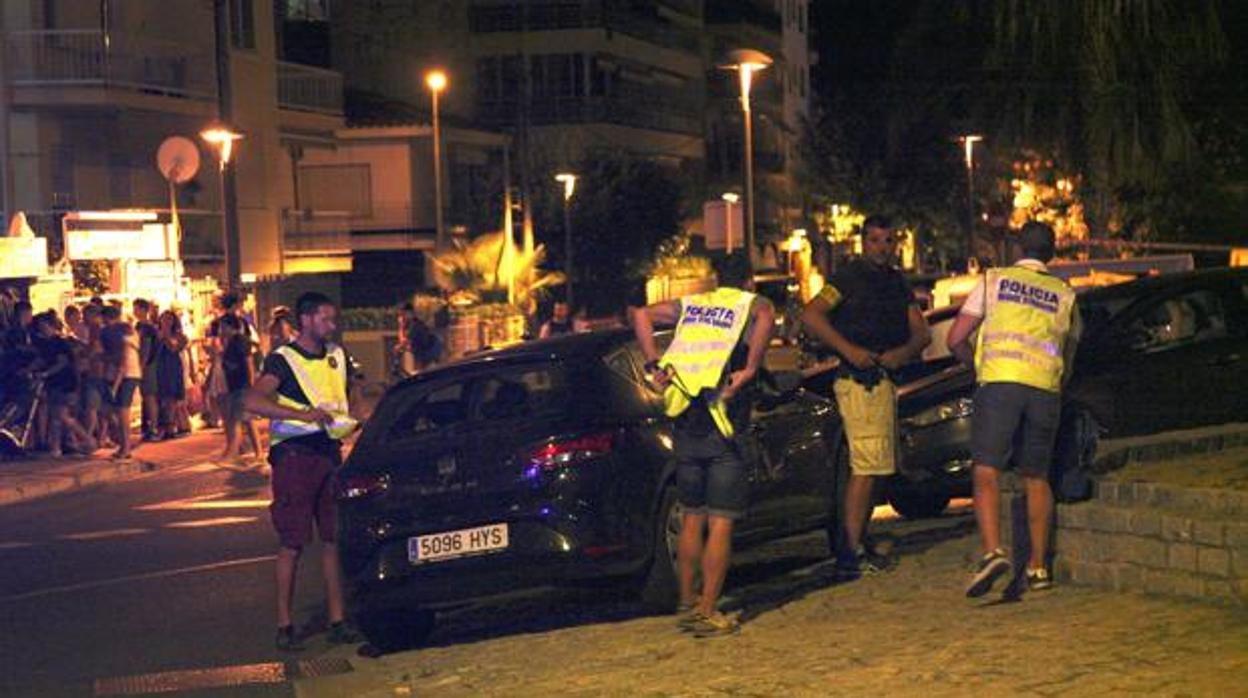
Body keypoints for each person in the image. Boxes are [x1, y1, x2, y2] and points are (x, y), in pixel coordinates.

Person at [631, 264, 774, 637]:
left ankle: (686, 599)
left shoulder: (692, 307)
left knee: (692, 516)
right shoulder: (747, 306)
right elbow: (766, 313)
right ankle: (708, 609)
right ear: (745, 284)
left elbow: (641, 314)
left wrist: (652, 362)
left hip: (686, 429)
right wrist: (752, 367)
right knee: (721, 521)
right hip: (724, 429)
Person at [946, 221, 1081, 597]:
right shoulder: (1064, 293)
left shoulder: (994, 281)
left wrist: (975, 365)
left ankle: (992, 552)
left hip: (1000, 383)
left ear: (1018, 248)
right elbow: (1069, 354)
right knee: (1036, 476)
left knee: (986, 470)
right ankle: (1039, 568)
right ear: (1051, 253)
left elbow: (956, 337)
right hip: (1044, 389)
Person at [799, 215, 930, 577]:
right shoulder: (846, 279)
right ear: (862, 243)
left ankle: (857, 541)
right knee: (867, 467)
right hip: (859, 380)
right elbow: (812, 315)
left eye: (887, 241)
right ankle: (850, 551)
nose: (881, 248)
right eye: (874, 240)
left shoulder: (897, 283)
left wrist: (900, 355)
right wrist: (850, 350)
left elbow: (922, 333)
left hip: (884, 377)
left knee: (878, 467)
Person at [244, 292, 361, 651]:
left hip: (329, 452)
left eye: (332, 319)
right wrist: (302, 415)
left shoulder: (338, 356)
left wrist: (353, 421)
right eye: (326, 319)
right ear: (307, 320)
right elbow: (251, 400)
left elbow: (349, 395)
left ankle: (338, 620)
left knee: (332, 539)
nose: (332, 325)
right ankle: (285, 625)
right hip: (295, 457)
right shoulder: (283, 359)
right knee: (292, 543)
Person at [32, 312, 96, 457]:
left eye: (44, 326)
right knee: (56, 416)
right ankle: (56, 448)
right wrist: (30, 369)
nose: (41, 329)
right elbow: (42, 360)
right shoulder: (47, 343)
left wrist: (46, 373)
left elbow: (62, 362)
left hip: (64, 382)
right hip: (55, 383)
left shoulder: (60, 342)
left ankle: (88, 440)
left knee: (62, 415)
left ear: (50, 325)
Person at [100, 305, 142, 460]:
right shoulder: (125, 331)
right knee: (116, 411)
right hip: (127, 373)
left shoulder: (120, 334)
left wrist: (115, 384)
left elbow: (122, 361)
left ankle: (126, 447)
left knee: (122, 411)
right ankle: (124, 445)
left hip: (126, 375)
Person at [220, 314, 262, 460]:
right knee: (247, 421)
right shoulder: (231, 342)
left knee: (236, 421)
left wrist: (250, 386)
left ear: (231, 326)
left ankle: (232, 453)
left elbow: (248, 362)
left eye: (223, 326)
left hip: (241, 386)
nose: (221, 329)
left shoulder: (239, 341)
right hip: (236, 386)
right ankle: (258, 453)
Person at [155, 310, 191, 439]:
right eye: (163, 319)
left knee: (172, 397)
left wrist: (166, 337)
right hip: (159, 367)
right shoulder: (156, 334)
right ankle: (165, 426)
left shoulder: (180, 336)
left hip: (173, 367)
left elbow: (174, 348)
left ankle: (171, 427)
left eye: (169, 319)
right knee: (162, 398)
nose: (166, 322)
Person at [133, 299, 161, 442]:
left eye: (136, 308)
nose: (134, 311)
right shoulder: (139, 326)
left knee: (150, 396)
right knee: (146, 396)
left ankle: (154, 428)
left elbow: (146, 348)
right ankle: (149, 426)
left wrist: (142, 366)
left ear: (144, 310)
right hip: (145, 364)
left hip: (148, 365)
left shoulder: (147, 328)